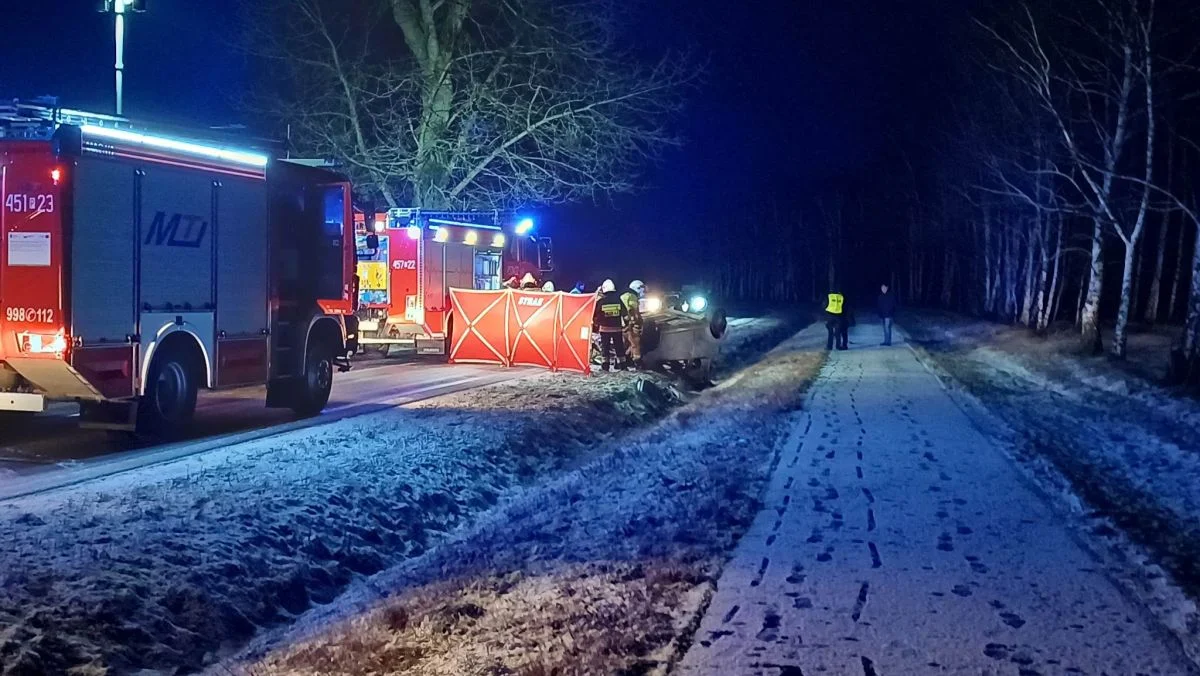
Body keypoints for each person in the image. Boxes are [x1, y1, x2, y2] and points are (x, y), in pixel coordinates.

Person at [593, 279, 628, 371]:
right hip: (617, 329)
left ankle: (605, 366)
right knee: (619, 347)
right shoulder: (618, 300)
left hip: (604, 329)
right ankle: (623, 366)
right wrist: (627, 325)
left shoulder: (601, 302)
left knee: (605, 348)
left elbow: (595, 315)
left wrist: (596, 324)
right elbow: (625, 314)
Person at [621, 280, 646, 369]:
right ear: (638, 288)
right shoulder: (632, 296)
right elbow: (632, 311)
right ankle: (637, 362)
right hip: (630, 325)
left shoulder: (625, 295)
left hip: (623, 324)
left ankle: (624, 361)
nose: (644, 291)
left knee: (626, 343)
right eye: (642, 289)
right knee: (635, 342)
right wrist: (636, 322)